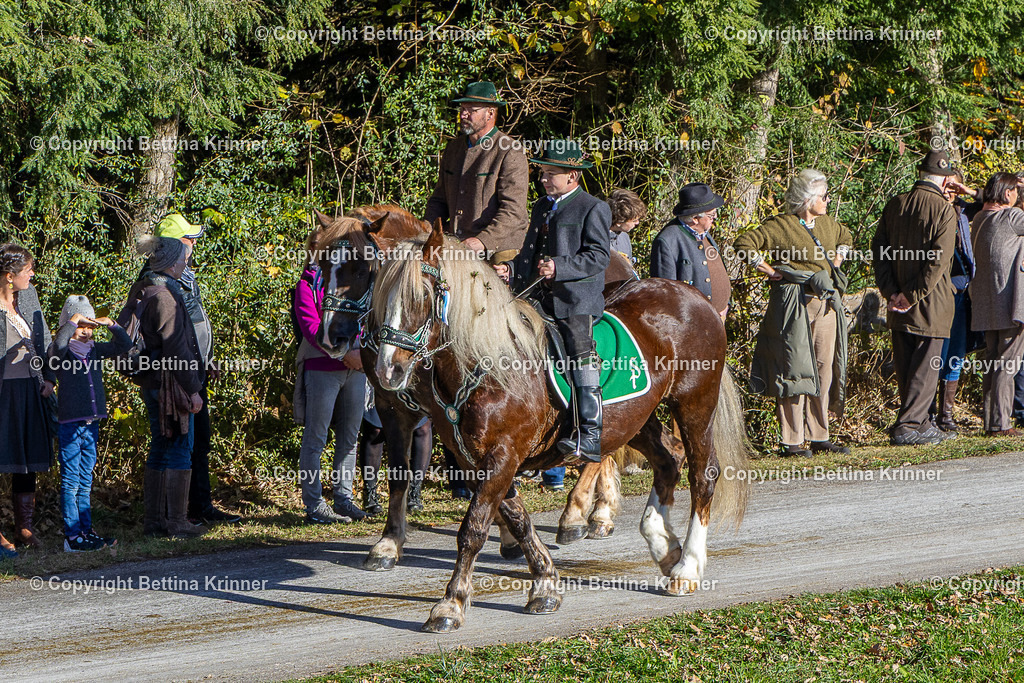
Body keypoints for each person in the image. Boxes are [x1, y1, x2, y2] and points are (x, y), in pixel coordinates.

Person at [424, 80, 530, 498]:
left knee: (499, 348)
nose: (464, 113)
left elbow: (512, 212)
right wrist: (428, 233)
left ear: (492, 113)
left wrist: (479, 243)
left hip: (493, 258)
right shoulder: (452, 149)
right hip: (451, 257)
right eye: (462, 107)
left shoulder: (510, 150)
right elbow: (438, 201)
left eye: (471, 108)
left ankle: (514, 441)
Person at [500, 140, 611, 463]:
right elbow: (530, 253)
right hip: (537, 295)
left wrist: (560, 267)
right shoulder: (541, 207)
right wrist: (510, 269)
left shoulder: (593, 207)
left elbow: (599, 256)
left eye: (551, 174)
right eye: (543, 173)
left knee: (580, 351)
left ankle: (590, 432)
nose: (544, 179)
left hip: (576, 299)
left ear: (573, 176)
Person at [734, 169, 851, 456]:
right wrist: (770, 271)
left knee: (824, 371)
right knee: (793, 371)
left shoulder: (827, 224)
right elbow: (743, 245)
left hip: (825, 307)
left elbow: (846, 237)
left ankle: (820, 435)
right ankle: (792, 441)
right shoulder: (780, 226)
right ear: (807, 199)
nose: (827, 200)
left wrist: (837, 260)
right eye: (823, 196)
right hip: (793, 306)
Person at [152, 214, 241, 525]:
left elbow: (197, 328)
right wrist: (191, 378)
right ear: (175, 245)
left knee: (199, 441)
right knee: (177, 443)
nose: (194, 245)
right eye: (189, 240)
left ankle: (199, 507)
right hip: (177, 378)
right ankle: (175, 514)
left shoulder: (186, 278)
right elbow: (175, 338)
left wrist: (208, 358)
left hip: (196, 371)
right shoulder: (163, 281)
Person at [872, 150, 958, 446]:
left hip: (898, 303)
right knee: (925, 368)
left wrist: (891, 292)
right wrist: (912, 295)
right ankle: (908, 426)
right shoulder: (944, 210)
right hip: (930, 304)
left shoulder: (895, 204)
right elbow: (938, 262)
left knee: (907, 367)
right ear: (946, 179)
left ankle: (919, 424)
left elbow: (879, 251)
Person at [123, 236, 207, 538]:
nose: (186, 261)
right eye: (182, 257)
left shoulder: (143, 286)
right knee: (180, 446)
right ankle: (177, 521)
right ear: (173, 262)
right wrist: (194, 389)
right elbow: (176, 347)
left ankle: (155, 521)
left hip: (151, 380)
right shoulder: (167, 296)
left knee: (160, 445)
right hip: (171, 383)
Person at [48, 296, 132, 551]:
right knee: (71, 481)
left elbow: (124, 345)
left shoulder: (95, 350)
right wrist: (73, 322)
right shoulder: (61, 353)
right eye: (82, 326)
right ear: (70, 325)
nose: (86, 332)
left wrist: (111, 324)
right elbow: (58, 345)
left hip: (91, 424)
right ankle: (72, 536)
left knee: (85, 480)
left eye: (90, 326)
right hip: (71, 425)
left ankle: (86, 530)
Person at [293, 254, 366, 523]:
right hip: (322, 369)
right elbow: (312, 328)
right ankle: (314, 505)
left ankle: (343, 499)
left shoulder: (349, 279)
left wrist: (359, 353)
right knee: (316, 438)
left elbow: (363, 317)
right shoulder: (306, 286)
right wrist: (344, 353)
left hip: (355, 370)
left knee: (349, 438)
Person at [0, 244, 56, 556]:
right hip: (3, 392)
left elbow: (45, 339)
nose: (32, 274)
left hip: (30, 389)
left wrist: (49, 378)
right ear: (10, 276)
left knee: (25, 461)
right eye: (27, 271)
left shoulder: (29, 296)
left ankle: (24, 528)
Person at [969, 172, 1024, 436]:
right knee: (1008, 364)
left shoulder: (980, 219)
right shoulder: (1011, 218)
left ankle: (991, 422)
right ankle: (1002, 424)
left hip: (985, 304)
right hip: (1010, 304)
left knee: (992, 363)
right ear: (1007, 193)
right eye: (1014, 190)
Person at [930, 173, 981, 433]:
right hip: (940, 291)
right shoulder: (931, 210)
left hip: (964, 292)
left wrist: (967, 190)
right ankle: (927, 415)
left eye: (953, 185)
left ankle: (946, 416)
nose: (949, 190)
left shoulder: (961, 209)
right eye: (945, 184)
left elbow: (990, 201)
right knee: (937, 352)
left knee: (956, 353)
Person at [651, 183, 732, 321]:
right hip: (693, 323)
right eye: (711, 215)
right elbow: (665, 294)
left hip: (716, 320)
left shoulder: (702, 232)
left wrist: (725, 305)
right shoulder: (667, 241)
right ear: (695, 219)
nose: (715, 218)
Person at [606, 188, 647, 262]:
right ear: (619, 221)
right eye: (634, 220)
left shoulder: (624, 237)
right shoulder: (597, 240)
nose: (637, 223)